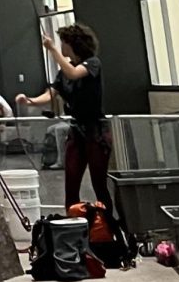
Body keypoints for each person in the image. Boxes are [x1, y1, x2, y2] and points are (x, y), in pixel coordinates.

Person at [16, 24, 113, 212]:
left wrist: (52, 49)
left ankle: (111, 226)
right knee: (71, 182)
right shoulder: (63, 73)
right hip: (76, 132)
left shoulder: (93, 63)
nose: (60, 46)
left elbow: (74, 74)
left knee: (99, 184)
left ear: (72, 44)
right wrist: (29, 101)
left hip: (97, 132)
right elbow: (51, 94)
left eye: (63, 43)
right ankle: (72, 225)